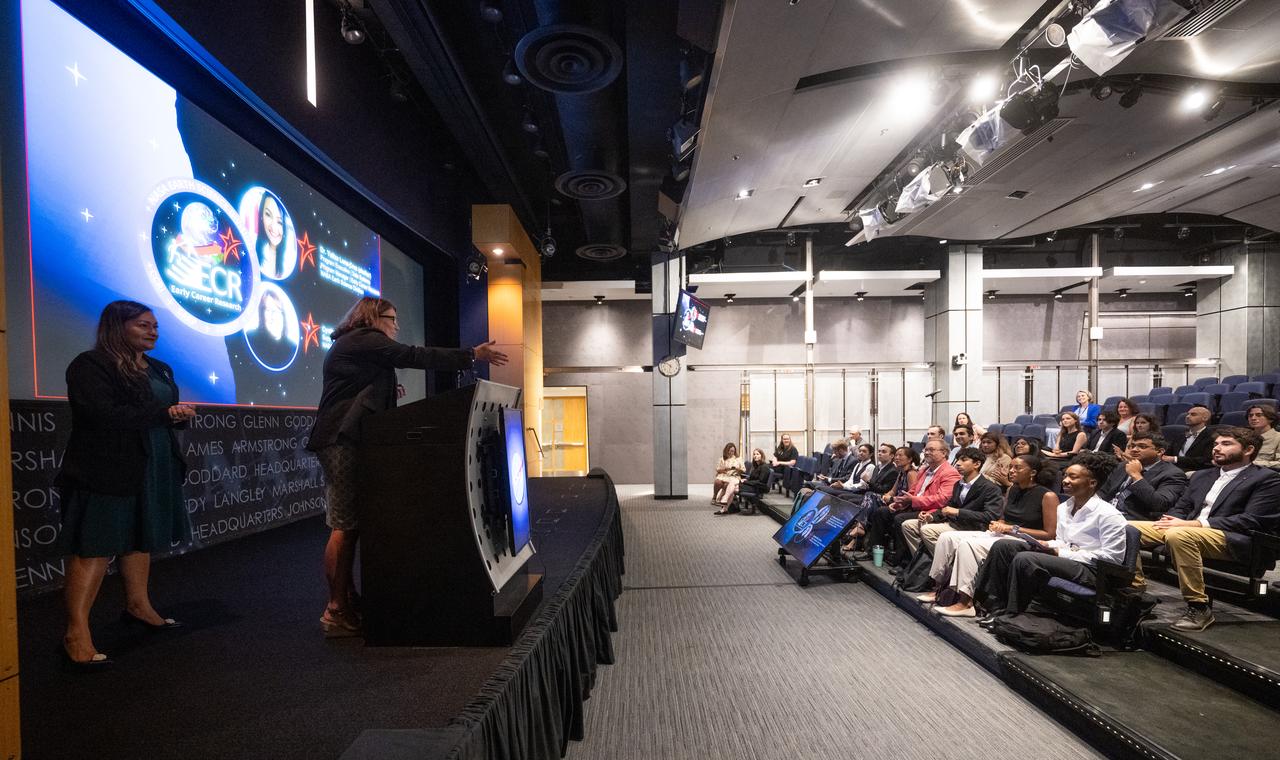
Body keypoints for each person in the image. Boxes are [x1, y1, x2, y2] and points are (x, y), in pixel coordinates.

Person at [307, 297, 507, 637]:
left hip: (348, 438)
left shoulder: (359, 346)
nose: (396, 326)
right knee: (345, 523)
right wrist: (472, 354)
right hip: (341, 439)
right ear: (373, 317)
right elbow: (414, 355)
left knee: (350, 523)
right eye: (392, 319)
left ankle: (347, 598)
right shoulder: (363, 339)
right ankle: (335, 609)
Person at [56, 301, 198, 668]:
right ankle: (76, 633)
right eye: (143, 325)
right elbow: (101, 415)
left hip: (155, 463)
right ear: (117, 327)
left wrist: (177, 418)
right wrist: (164, 413)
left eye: (155, 325)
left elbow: (161, 415)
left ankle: (138, 606)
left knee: (142, 536)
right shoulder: (90, 365)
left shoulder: (159, 368)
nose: (153, 331)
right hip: (107, 467)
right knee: (95, 546)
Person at [1129, 427, 1280, 631]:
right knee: (1126, 528)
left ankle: (1198, 606)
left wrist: (1193, 524)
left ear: (1248, 450)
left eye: (1226, 444)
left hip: (1234, 538)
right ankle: (1136, 594)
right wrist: (1172, 519)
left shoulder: (1267, 479)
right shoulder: (1202, 476)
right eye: (1216, 444)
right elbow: (1181, 507)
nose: (1216, 448)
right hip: (1187, 529)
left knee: (1179, 535)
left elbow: (1252, 520)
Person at [976, 452, 1126, 623]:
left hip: (1091, 570)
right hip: (1067, 558)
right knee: (1004, 546)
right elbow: (1062, 540)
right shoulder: (1064, 507)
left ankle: (1012, 614)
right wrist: (1045, 544)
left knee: (1026, 558)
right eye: (1065, 475)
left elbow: (1112, 559)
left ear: (1092, 483)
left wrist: (1059, 553)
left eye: (1073, 477)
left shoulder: (1108, 514)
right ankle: (992, 604)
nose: (1065, 480)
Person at [928, 455, 1059, 617]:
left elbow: (1049, 534)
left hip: (1023, 540)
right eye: (1010, 467)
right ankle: (938, 589)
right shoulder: (1012, 489)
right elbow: (1005, 518)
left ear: (1032, 472)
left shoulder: (1047, 496)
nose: (1011, 471)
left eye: (1017, 468)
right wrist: (998, 524)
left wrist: (1011, 528)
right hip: (1003, 534)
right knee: (947, 537)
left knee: (968, 545)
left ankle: (965, 602)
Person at [865, 440, 959, 565]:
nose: (927, 452)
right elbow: (914, 491)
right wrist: (900, 503)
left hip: (932, 511)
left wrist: (912, 500)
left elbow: (942, 499)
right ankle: (873, 552)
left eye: (931, 450)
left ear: (944, 453)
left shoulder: (950, 472)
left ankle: (904, 562)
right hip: (916, 506)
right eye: (926, 449)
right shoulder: (925, 470)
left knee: (900, 519)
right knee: (882, 512)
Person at [901, 447, 1002, 557]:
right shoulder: (958, 484)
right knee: (908, 525)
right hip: (953, 523)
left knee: (927, 530)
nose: (958, 463)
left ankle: (947, 564)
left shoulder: (990, 488)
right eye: (958, 459)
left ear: (977, 464)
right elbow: (948, 507)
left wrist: (958, 512)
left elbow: (990, 516)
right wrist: (931, 516)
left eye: (963, 460)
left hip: (972, 528)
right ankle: (926, 563)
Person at [1098, 433, 1188, 520]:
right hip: (1105, 513)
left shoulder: (1173, 474)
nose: (1134, 450)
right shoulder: (1123, 465)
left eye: (1142, 447)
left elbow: (1160, 504)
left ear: (1160, 451)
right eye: (1132, 446)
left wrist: (1136, 476)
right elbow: (1103, 491)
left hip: (1135, 519)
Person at [843, 446, 914, 554]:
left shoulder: (911, 473)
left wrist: (891, 498)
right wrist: (887, 496)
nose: (897, 458)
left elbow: (911, 496)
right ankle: (858, 534)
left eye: (900, 455)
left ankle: (859, 528)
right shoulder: (901, 473)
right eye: (896, 455)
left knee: (870, 497)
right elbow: (892, 490)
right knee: (870, 499)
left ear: (909, 459)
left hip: (904, 504)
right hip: (893, 500)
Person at [1163, 404, 1214, 472]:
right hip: (1173, 469)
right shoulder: (1180, 435)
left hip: (1195, 471)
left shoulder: (1211, 436)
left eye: (1193, 414)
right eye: (1188, 414)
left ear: (1205, 418)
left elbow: (1206, 460)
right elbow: (1167, 454)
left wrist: (1175, 459)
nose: (1187, 416)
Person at [256, 190, 286, 278]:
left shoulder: (289, 261)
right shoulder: (254, 249)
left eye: (279, 222)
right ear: (261, 216)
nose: (273, 227)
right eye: (268, 215)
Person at [1245, 403, 1280, 470]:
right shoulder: (1244, 437)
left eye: (1259, 415)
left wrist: (1254, 463)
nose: (1253, 418)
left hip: (1266, 475)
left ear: (1270, 419)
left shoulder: (1278, 438)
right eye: (1250, 415)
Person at [736, 448, 771, 514]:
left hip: (758, 487)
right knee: (734, 485)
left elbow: (760, 481)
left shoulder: (764, 467)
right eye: (754, 454)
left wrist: (746, 482)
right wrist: (746, 479)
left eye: (757, 454)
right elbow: (753, 478)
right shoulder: (757, 466)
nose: (755, 456)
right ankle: (730, 506)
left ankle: (731, 506)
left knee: (734, 488)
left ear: (762, 456)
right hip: (754, 485)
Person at [712, 442, 745, 513]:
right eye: (729, 451)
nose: (731, 453)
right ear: (726, 451)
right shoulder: (722, 459)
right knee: (717, 482)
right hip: (724, 475)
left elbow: (743, 470)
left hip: (734, 476)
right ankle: (717, 498)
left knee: (727, 484)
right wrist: (725, 469)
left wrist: (737, 469)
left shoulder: (738, 459)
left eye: (733, 451)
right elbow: (717, 469)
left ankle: (722, 501)